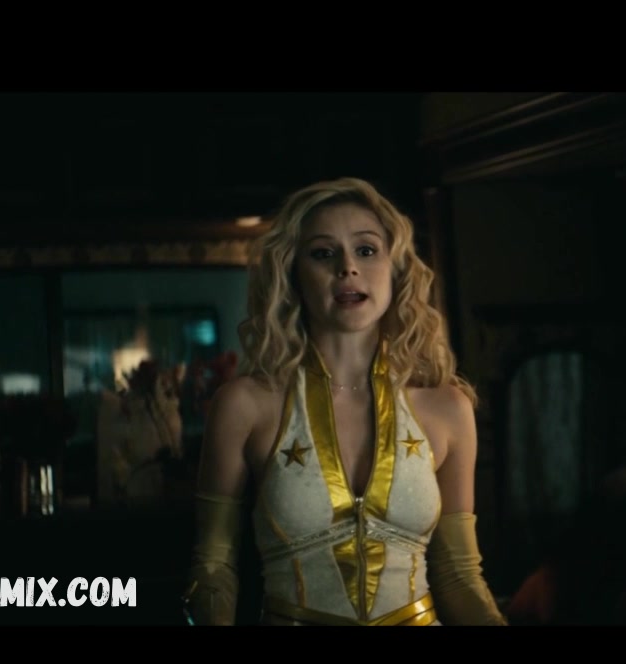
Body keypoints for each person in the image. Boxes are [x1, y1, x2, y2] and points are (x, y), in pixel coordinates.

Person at [182, 177, 507, 626]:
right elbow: (213, 566)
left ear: (395, 269)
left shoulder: (447, 407)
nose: (347, 268)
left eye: (366, 250)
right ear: (293, 273)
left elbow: (459, 576)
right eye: (322, 253)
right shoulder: (245, 405)